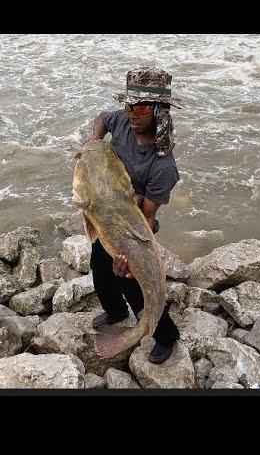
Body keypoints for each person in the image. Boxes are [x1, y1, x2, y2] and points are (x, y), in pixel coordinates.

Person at [82, 67, 182, 364]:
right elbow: (102, 117)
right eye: (128, 105)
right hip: (106, 216)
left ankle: (165, 335)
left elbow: (146, 218)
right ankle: (115, 312)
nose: (130, 113)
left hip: (135, 229)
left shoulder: (163, 167)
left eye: (138, 107)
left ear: (158, 111)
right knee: (100, 269)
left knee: (135, 284)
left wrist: (129, 256)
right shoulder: (124, 121)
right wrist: (93, 145)